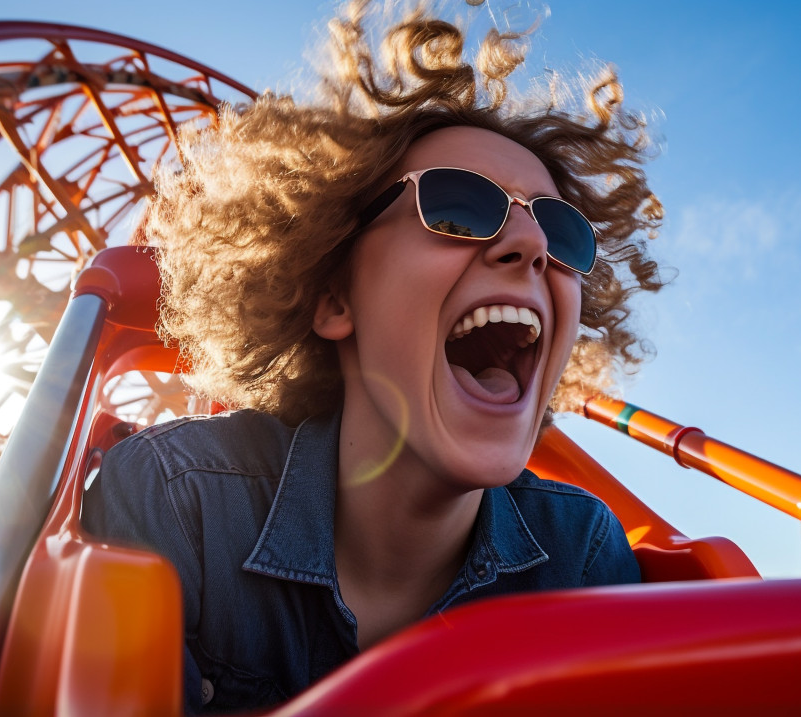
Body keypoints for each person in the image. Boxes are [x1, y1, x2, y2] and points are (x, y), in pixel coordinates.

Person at [81, 0, 665, 712]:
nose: (534, 246)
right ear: (334, 299)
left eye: (561, 232)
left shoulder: (581, 550)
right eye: (457, 209)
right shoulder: (179, 502)